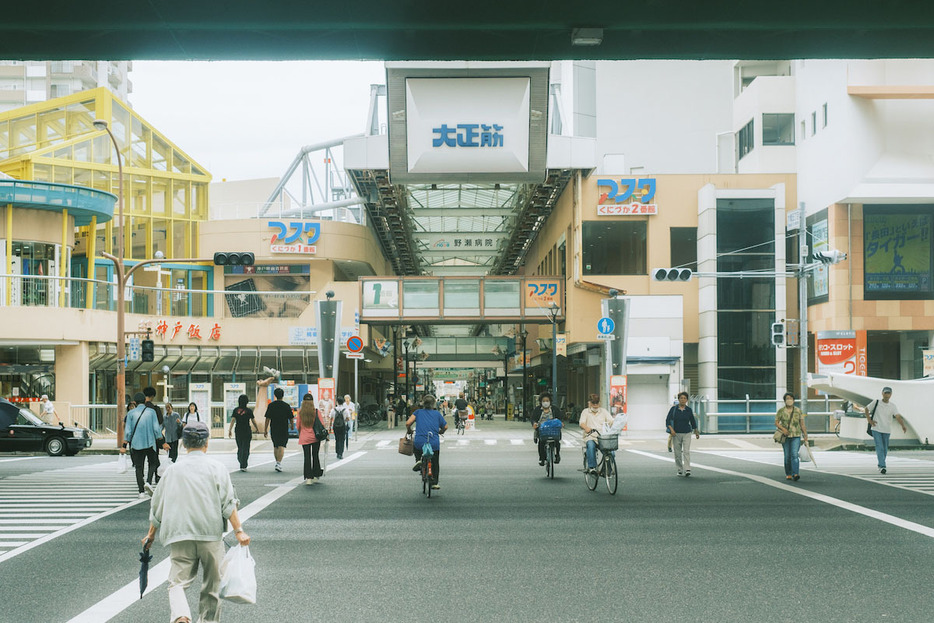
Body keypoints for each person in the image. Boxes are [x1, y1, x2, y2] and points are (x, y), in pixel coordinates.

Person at [142, 421, 251, 623]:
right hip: (210, 534)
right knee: (213, 584)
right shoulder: (217, 468)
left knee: (176, 582)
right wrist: (239, 531)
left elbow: (158, 506)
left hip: (180, 534)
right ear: (206, 443)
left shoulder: (172, 471)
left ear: (183, 444)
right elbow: (228, 503)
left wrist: (151, 535)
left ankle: (181, 615)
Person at [124, 391, 163, 499]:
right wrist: (161, 440)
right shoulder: (151, 412)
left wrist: (124, 445)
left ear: (135, 402)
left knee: (139, 467)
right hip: (150, 443)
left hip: (136, 444)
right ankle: (149, 481)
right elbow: (156, 429)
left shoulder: (130, 413)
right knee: (153, 463)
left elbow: (128, 431)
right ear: (145, 401)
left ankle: (141, 491)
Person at [406, 395, 447, 490]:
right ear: (433, 404)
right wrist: (441, 432)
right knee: (435, 461)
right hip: (433, 443)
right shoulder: (437, 414)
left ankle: (418, 460)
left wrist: (409, 430)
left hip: (420, 442)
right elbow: (445, 426)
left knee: (417, 447)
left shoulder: (418, 412)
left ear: (423, 404)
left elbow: (408, 423)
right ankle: (434, 483)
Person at [865, 386, 907, 475]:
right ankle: (882, 466)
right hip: (876, 428)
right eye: (885, 393)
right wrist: (869, 420)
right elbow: (866, 409)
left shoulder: (892, 406)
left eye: (888, 393)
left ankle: (881, 464)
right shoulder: (876, 402)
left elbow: (897, 416)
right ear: (882, 393)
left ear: (891, 394)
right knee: (879, 446)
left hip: (886, 430)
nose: (887, 395)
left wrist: (903, 425)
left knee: (884, 449)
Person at [666, 392, 700, 477]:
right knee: (677, 453)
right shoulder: (673, 409)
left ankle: (687, 469)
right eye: (681, 398)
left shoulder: (688, 410)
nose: (683, 400)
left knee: (686, 451)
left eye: (685, 398)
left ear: (687, 400)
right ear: (678, 399)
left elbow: (692, 421)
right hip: (676, 433)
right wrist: (671, 430)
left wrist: (696, 431)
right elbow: (667, 421)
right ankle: (680, 469)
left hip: (687, 433)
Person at [775, 392, 808, 481]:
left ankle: (795, 473)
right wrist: (783, 429)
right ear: (785, 401)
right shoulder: (781, 411)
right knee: (787, 456)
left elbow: (802, 424)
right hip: (785, 436)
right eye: (787, 399)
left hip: (796, 435)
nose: (789, 400)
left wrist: (805, 435)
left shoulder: (798, 411)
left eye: (791, 398)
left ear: (793, 400)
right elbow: (776, 422)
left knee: (794, 454)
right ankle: (788, 473)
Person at [579, 393, 614, 474]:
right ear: (589, 403)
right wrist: (586, 428)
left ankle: (607, 470)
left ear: (599, 403)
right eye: (593, 403)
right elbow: (582, 423)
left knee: (611, 453)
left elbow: (611, 421)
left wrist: (616, 425)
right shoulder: (585, 412)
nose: (595, 405)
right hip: (590, 436)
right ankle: (592, 467)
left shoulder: (604, 411)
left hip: (602, 437)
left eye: (597, 403)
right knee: (590, 446)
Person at [263, 387, 294, 472]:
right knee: (281, 445)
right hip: (283, 428)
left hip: (274, 427)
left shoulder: (271, 405)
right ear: (283, 395)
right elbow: (291, 418)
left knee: (276, 445)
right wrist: (292, 425)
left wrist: (265, 429)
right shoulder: (286, 406)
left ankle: (277, 462)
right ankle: (278, 463)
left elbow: (267, 418)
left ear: (275, 395)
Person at [297, 393, 326, 484]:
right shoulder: (316, 412)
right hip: (315, 437)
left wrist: (300, 434)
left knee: (307, 457)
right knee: (315, 455)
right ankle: (316, 475)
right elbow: (322, 424)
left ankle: (308, 478)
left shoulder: (300, 412)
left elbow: (298, 425)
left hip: (304, 437)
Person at [531, 393, 564, 466]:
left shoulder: (554, 409)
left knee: (556, 441)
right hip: (542, 429)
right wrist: (534, 424)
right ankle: (542, 458)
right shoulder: (537, 410)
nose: (545, 402)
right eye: (544, 401)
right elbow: (533, 419)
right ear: (541, 402)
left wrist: (561, 423)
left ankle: (557, 455)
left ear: (550, 401)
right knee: (541, 442)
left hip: (553, 429)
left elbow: (560, 417)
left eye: (547, 400)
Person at [227, 394, 258, 471]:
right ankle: (244, 464)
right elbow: (253, 421)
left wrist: (230, 430)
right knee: (246, 447)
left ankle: (241, 460)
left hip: (238, 431)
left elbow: (233, 420)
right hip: (247, 430)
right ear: (247, 402)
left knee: (240, 447)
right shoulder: (249, 411)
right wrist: (257, 428)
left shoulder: (235, 410)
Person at [143, 387, 166, 485]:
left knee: (140, 463)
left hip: (142, 438)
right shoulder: (155, 409)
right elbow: (160, 422)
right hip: (153, 439)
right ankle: (153, 478)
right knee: (153, 460)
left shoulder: (140, 408)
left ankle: (142, 481)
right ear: (152, 396)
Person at [331, 396, 349, 460]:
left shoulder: (333, 410)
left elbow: (331, 418)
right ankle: (341, 453)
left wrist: (330, 427)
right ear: (343, 402)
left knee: (337, 439)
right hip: (343, 426)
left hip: (335, 426)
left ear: (337, 402)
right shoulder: (345, 410)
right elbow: (348, 418)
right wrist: (344, 420)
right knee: (342, 439)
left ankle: (337, 452)